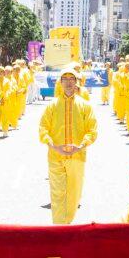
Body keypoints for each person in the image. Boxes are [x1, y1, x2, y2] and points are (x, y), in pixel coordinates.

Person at [39, 66, 98, 224]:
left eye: (72, 79)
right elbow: (43, 128)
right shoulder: (52, 105)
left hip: (77, 156)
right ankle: (59, 229)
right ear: (60, 82)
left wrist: (81, 145)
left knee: (74, 195)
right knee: (57, 193)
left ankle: (67, 225)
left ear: (76, 82)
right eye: (65, 79)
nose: (68, 83)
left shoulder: (85, 106)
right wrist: (53, 145)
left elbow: (92, 130)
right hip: (55, 156)